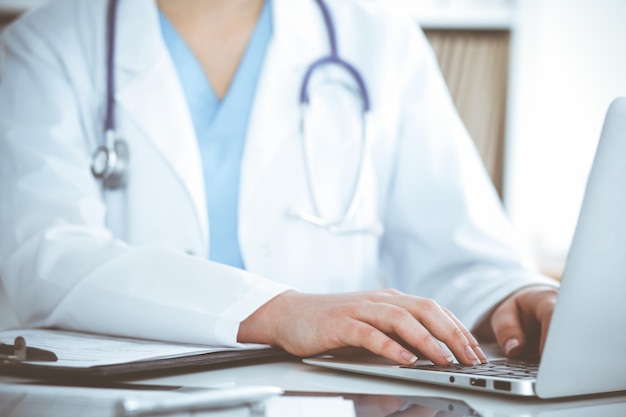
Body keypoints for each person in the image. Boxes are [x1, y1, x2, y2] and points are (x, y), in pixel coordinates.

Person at [0, 0, 558, 367]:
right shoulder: (46, 47)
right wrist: (279, 310)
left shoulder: (381, 44)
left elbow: (458, 250)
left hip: (334, 398)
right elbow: (46, 259)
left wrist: (513, 295)